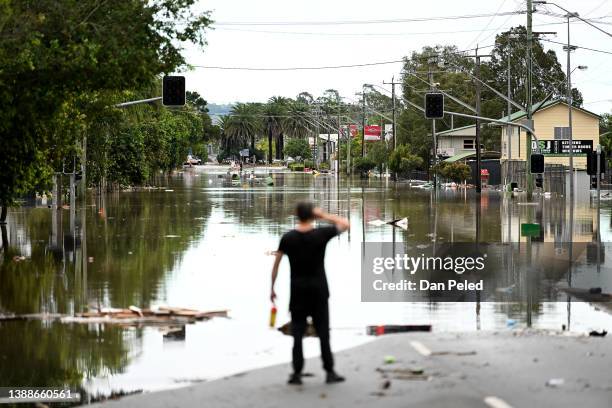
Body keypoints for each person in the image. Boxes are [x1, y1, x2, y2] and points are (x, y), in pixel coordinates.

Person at [270, 202, 350, 385]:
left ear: (297, 215)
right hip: (319, 290)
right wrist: (323, 216)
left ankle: (296, 374)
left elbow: (276, 266)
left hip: (298, 290)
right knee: (323, 331)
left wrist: (272, 288)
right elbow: (345, 224)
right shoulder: (321, 234)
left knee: (297, 332)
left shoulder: (288, 238)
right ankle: (329, 372)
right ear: (312, 215)